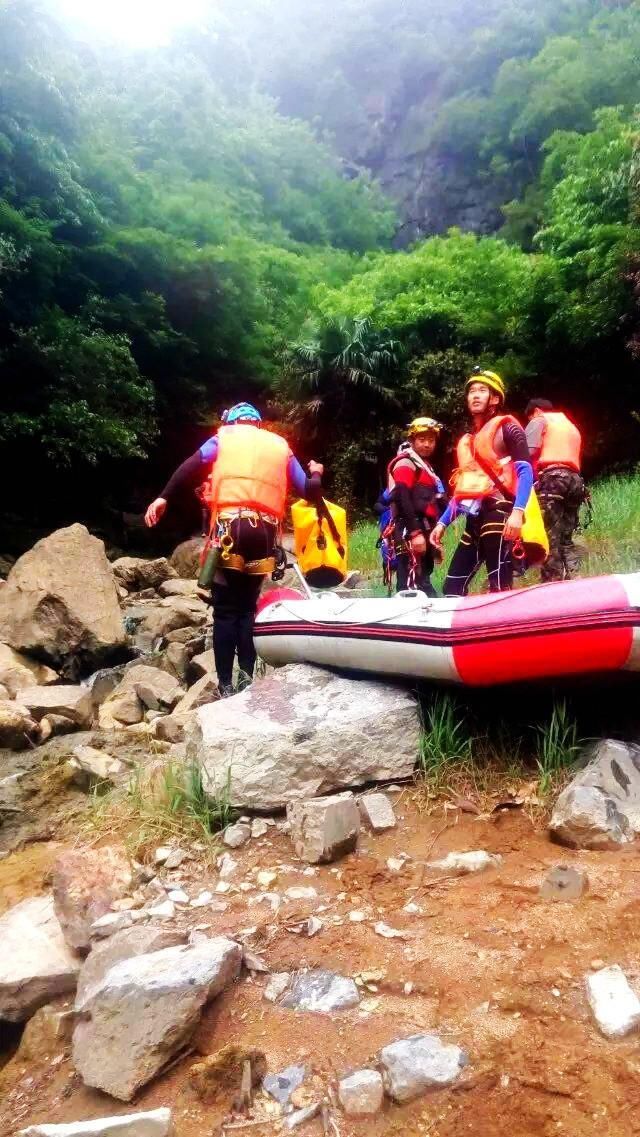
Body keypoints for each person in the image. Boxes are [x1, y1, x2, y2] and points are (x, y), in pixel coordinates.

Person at [145, 403, 322, 697]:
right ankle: (246, 679)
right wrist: (316, 473)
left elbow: (191, 464)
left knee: (226, 611)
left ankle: (226, 686)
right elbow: (310, 491)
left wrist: (164, 497)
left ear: (232, 421)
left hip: (229, 530)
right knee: (247, 609)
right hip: (264, 534)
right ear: (258, 425)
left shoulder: (224, 437)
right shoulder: (280, 446)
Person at [430, 369, 533, 595]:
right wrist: (442, 523)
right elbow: (464, 492)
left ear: (495, 398)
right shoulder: (469, 441)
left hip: (501, 513)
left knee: (499, 585)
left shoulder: (507, 428)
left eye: (482, 391)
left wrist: (517, 512)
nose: (475, 395)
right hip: (474, 519)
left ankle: (507, 624)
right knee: (451, 588)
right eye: (472, 391)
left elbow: (526, 471)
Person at [377, 418, 447, 596]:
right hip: (411, 530)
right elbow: (402, 497)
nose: (427, 444)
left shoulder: (425, 467)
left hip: (424, 529)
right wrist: (415, 533)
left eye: (431, 440)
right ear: (412, 441)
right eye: (422, 440)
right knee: (412, 583)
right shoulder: (406, 463)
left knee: (423, 578)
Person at [525, 398, 585, 582]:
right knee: (566, 537)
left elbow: (528, 450)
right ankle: (575, 579)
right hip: (575, 482)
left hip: (553, 479)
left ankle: (552, 584)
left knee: (549, 535)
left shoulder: (540, 420)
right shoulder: (571, 426)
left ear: (535, 411)